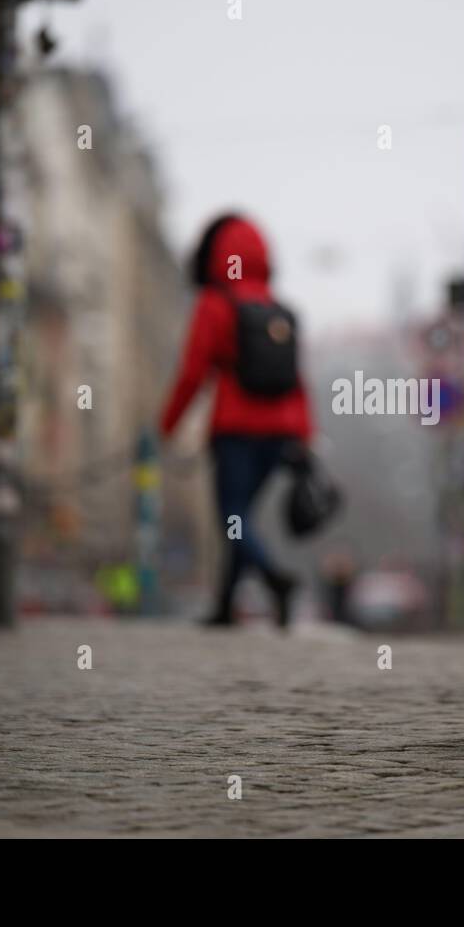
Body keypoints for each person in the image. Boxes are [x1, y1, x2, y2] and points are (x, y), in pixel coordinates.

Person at [160, 214, 313, 627]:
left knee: (231, 515)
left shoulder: (215, 304)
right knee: (240, 516)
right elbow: (298, 382)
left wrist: (167, 425)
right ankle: (225, 608)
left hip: (235, 429)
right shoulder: (278, 309)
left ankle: (275, 578)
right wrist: (304, 436)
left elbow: (193, 373)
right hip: (280, 431)